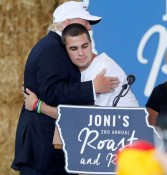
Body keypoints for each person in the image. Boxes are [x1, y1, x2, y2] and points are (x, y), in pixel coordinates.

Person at [12, 1, 120, 175]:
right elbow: (51, 92)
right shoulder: (52, 49)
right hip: (43, 151)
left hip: (48, 151)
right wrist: (92, 88)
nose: (89, 28)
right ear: (68, 24)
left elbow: (46, 88)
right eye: (85, 22)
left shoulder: (54, 47)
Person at [23, 23, 139, 146]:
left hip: (130, 141)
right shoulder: (76, 72)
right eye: (74, 48)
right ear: (65, 50)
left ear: (91, 44)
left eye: (85, 46)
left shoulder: (102, 69)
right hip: (109, 141)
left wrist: (38, 106)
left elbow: (84, 118)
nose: (81, 53)